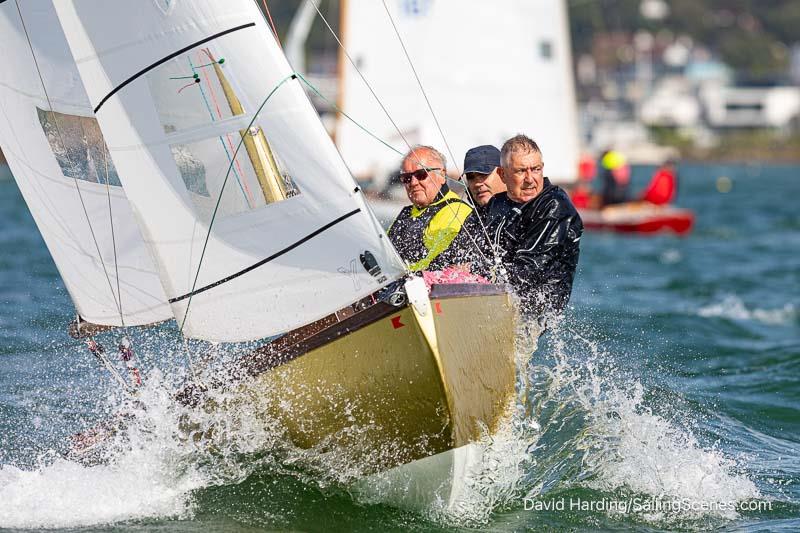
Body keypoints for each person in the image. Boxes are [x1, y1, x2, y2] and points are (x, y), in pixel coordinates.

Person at [483, 134, 583, 316]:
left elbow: (530, 269)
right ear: (502, 174)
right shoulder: (496, 203)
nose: (530, 179)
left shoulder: (554, 206)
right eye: (521, 171)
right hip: (496, 295)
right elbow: (472, 246)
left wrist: (477, 277)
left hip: (535, 305)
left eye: (535, 170)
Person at [388, 145, 477, 272]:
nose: (413, 183)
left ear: (441, 175)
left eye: (421, 174)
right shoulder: (406, 213)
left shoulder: (458, 212)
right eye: (407, 178)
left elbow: (441, 268)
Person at [463, 145, 506, 209]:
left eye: (483, 174)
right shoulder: (471, 218)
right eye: (470, 177)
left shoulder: (524, 212)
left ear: (503, 174)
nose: (477, 184)